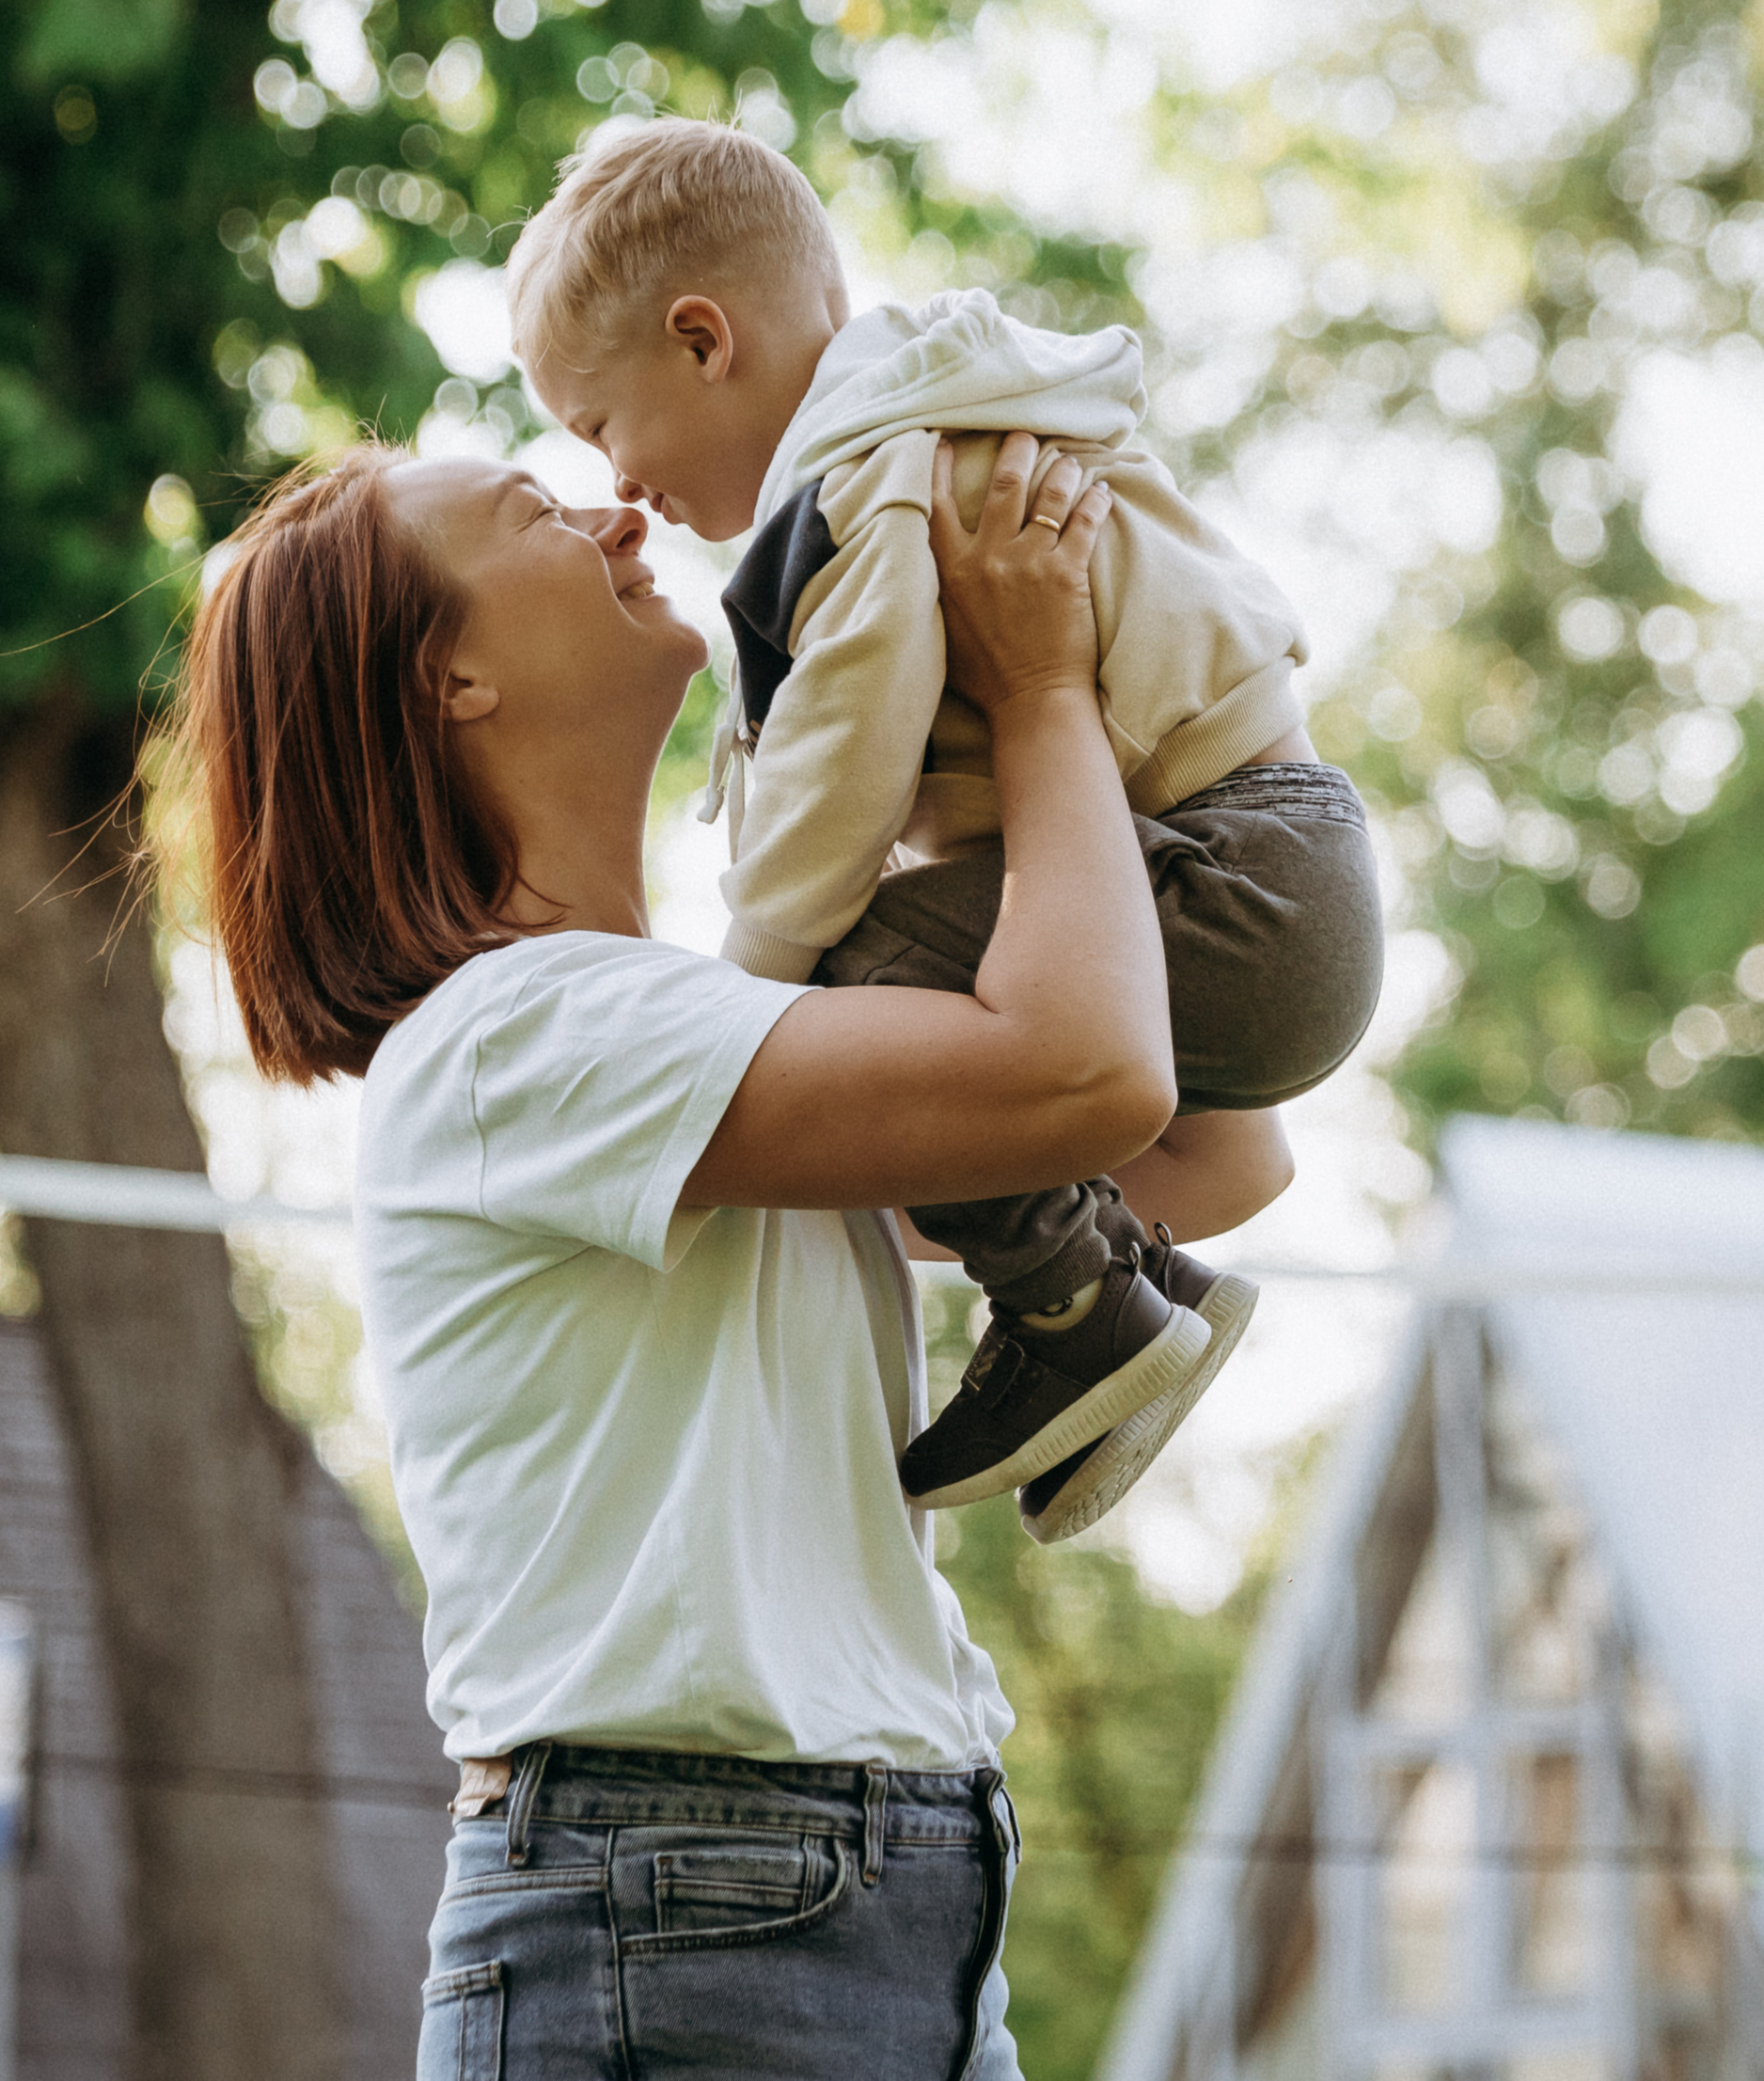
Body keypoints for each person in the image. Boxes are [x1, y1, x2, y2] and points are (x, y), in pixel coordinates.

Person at [170, 428, 1283, 2079]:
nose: (618, 504)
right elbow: (1094, 1072)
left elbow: (1213, 1147)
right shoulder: (522, 1038)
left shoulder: (704, 1047)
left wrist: (1005, 747)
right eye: (536, 511)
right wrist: (1041, 684)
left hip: (869, 1895)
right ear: (449, 676)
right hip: (686, 1912)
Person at [508, 118, 1384, 1542]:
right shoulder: (925, 430)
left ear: (702, 340)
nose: (620, 488)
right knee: (890, 1027)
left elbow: (839, 776)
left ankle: (1084, 1306)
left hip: (1239, 881)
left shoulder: (859, 489)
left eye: (601, 428)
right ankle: (1117, 1285)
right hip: (1272, 874)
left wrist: (746, 1005)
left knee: (846, 977)